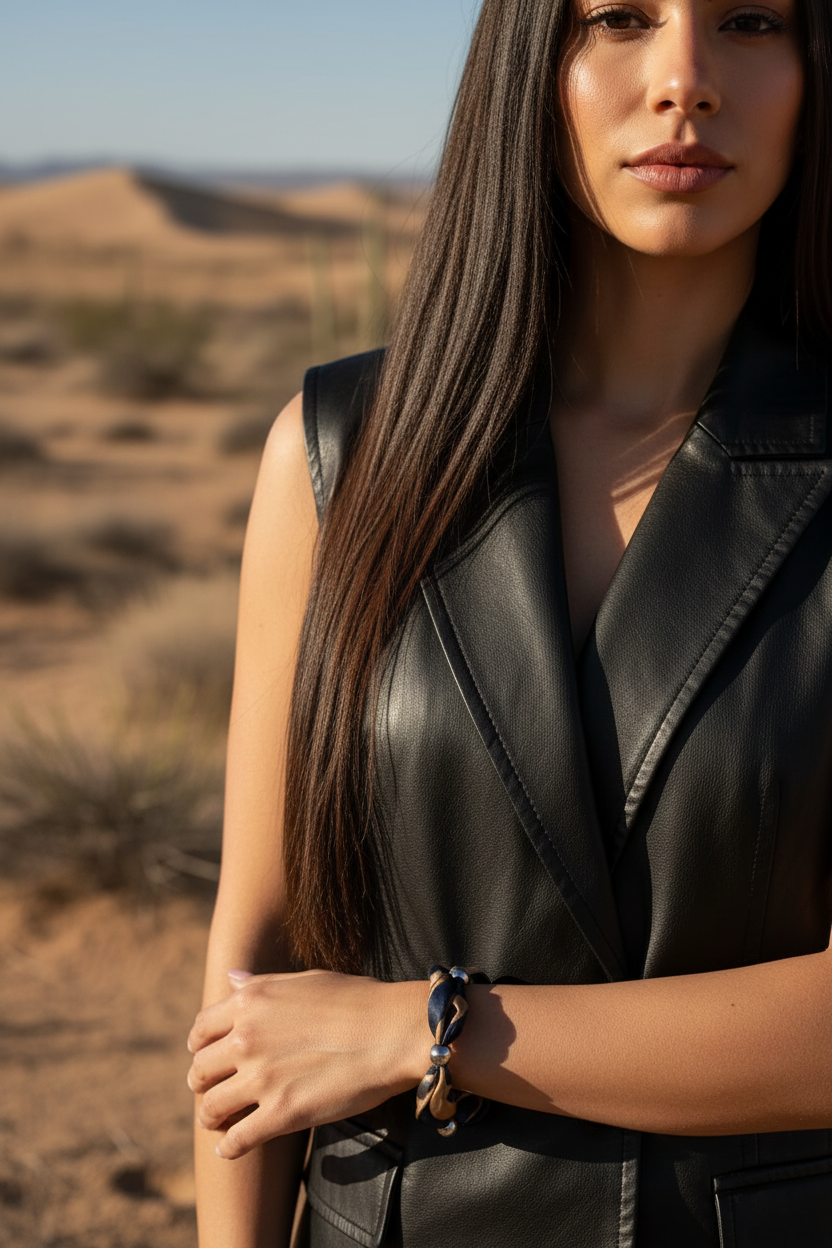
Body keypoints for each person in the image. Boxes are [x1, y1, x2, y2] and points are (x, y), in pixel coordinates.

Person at [187, 1, 832, 1245]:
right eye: (619, 18)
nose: (685, 79)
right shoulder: (337, 454)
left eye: (750, 20)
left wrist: (429, 1031)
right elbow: (257, 959)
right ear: (532, 67)